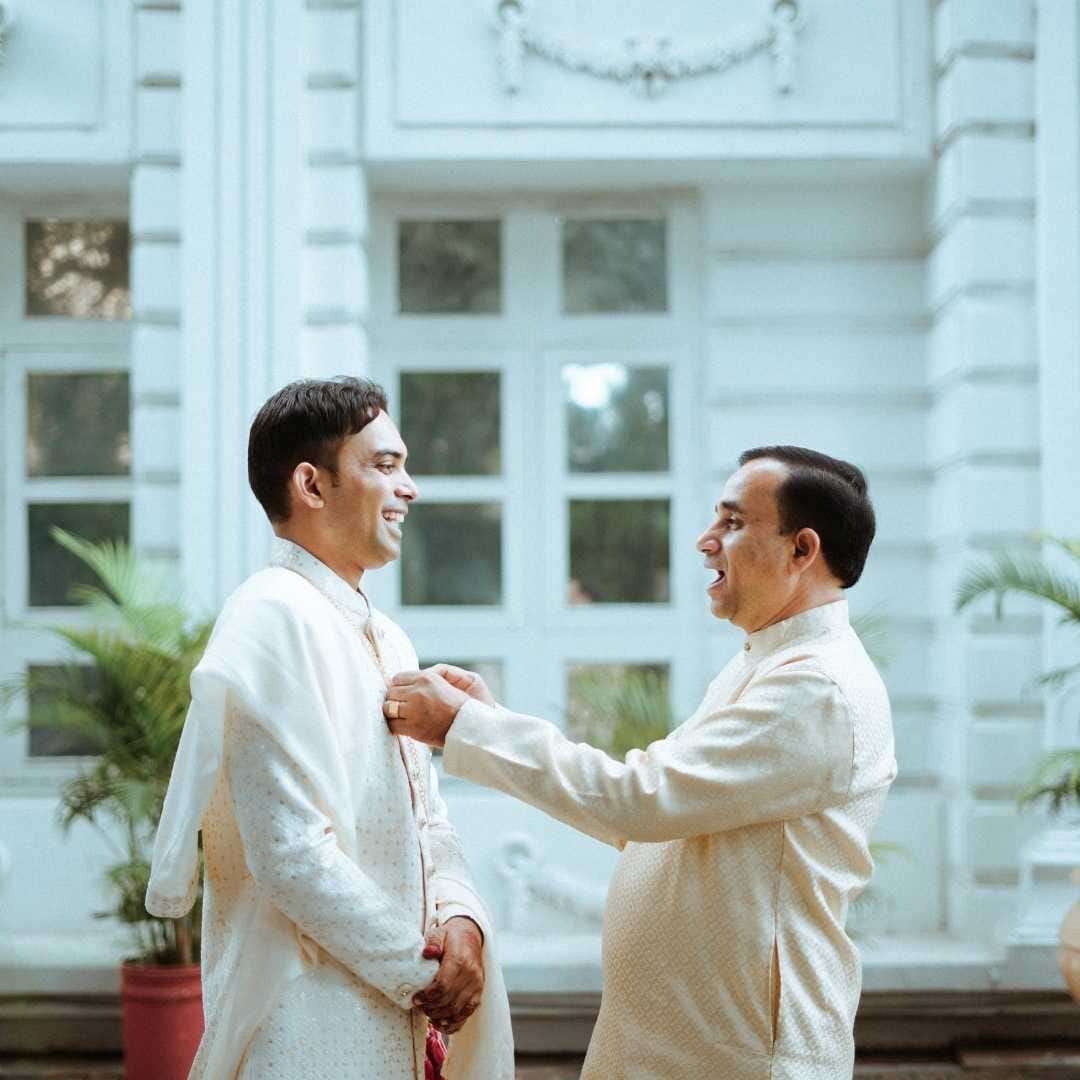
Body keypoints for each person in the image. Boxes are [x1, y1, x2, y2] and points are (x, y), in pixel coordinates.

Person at [385, 446, 897, 1080]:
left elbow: (639, 800)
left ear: (802, 550)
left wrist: (466, 726)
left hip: (740, 1056)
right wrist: (487, 720)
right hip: (682, 1044)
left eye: (733, 522)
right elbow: (653, 812)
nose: (706, 541)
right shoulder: (768, 663)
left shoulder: (817, 689)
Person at [146, 377, 513, 1080]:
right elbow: (290, 854)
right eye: (385, 465)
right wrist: (423, 974)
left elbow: (428, 819)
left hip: (403, 1012)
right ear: (312, 485)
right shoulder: (267, 620)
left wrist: (463, 921)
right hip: (306, 1018)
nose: (409, 488)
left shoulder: (389, 638)